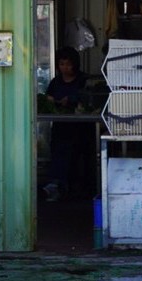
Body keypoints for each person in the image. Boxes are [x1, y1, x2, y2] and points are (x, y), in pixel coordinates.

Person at [43, 47, 88, 201]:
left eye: (68, 64)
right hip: (60, 126)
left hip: (80, 128)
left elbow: (87, 99)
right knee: (59, 154)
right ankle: (56, 187)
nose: (65, 68)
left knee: (78, 158)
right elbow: (48, 97)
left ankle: (79, 189)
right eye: (62, 64)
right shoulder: (56, 82)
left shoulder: (83, 80)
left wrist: (72, 100)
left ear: (75, 64)